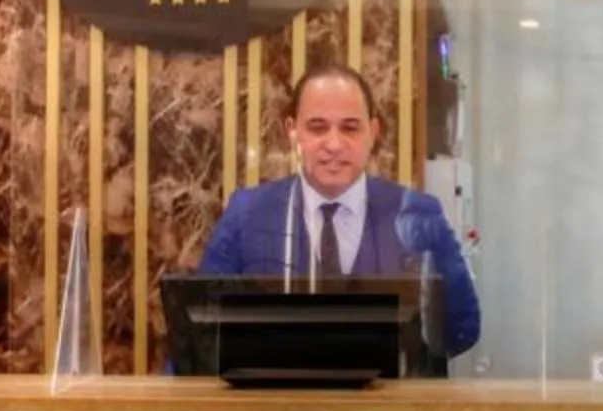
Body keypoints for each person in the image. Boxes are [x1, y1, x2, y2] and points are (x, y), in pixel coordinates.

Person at [199, 63, 481, 362]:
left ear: (372, 132)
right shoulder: (247, 214)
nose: (334, 144)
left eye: (350, 128)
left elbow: (462, 328)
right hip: (280, 405)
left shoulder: (418, 214)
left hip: (387, 405)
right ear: (292, 131)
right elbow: (199, 327)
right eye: (317, 127)